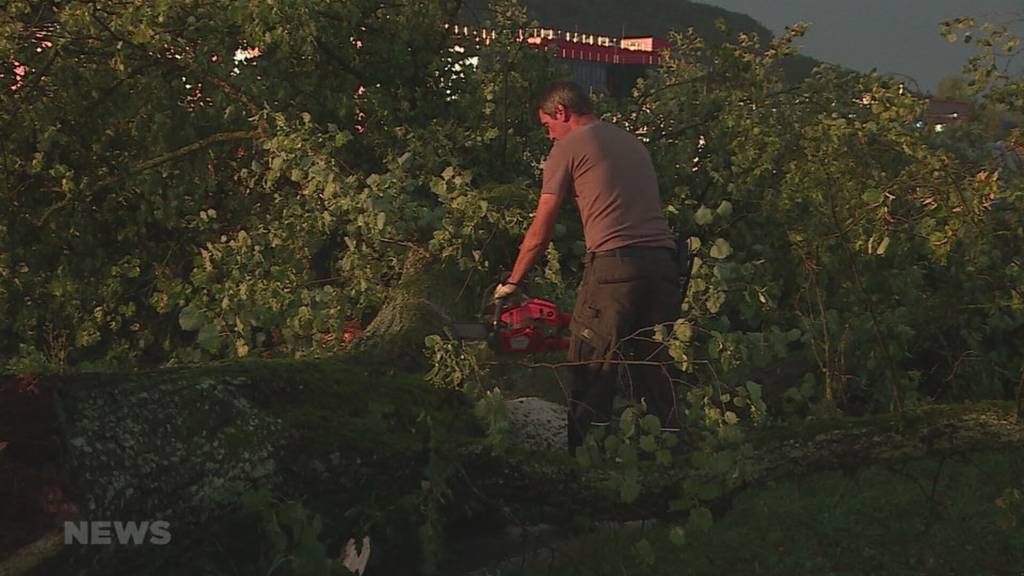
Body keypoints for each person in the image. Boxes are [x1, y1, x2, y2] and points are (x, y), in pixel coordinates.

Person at [493, 80, 683, 452]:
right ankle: (673, 454)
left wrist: (513, 282)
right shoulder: (630, 142)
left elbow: (541, 226)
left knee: (590, 360)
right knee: (653, 363)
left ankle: (583, 463)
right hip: (662, 264)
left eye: (547, 125)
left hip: (614, 264)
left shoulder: (570, 145)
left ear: (561, 112)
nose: (549, 136)